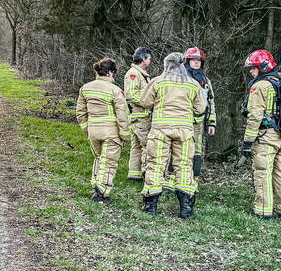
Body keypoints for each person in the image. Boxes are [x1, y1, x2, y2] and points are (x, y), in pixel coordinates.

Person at [136, 52, 206, 218]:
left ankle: (151, 206)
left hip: (161, 129)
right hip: (184, 130)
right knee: (184, 166)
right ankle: (185, 207)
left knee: (156, 164)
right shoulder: (193, 84)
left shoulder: (158, 81)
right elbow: (200, 108)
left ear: (167, 65)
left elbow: (144, 102)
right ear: (183, 65)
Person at [241, 50, 281, 220]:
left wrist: (247, 142)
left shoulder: (261, 86)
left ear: (262, 67)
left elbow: (255, 115)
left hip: (265, 137)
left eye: (253, 68)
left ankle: (263, 211)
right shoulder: (280, 82)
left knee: (263, 172)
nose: (251, 71)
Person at [76, 58, 131, 203]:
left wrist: (86, 128)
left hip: (93, 131)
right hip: (111, 132)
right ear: (111, 73)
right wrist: (125, 134)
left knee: (99, 158)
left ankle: (96, 184)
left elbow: (80, 112)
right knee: (109, 162)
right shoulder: (115, 90)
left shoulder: (85, 88)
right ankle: (102, 193)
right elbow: (122, 114)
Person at [183, 47, 216, 177]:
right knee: (180, 149)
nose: (197, 63)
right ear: (187, 61)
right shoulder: (181, 78)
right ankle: (174, 179)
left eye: (199, 60)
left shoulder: (205, 80)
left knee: (197, 151)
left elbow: (211, 101)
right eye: (194, 60)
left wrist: (212, 123)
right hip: (182, 121)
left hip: (199, 122)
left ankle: (194, 180)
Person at [124, 47, 153, 181]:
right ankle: (147, 173)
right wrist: (148, 102)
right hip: (140, 117)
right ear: (143, 59)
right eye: (149, 58)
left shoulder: (140, 73)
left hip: (140, 116)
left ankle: (134, 174)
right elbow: (131, 95)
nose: (150, 61)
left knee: (136, 146)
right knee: (147, 145)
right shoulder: (133, 74)